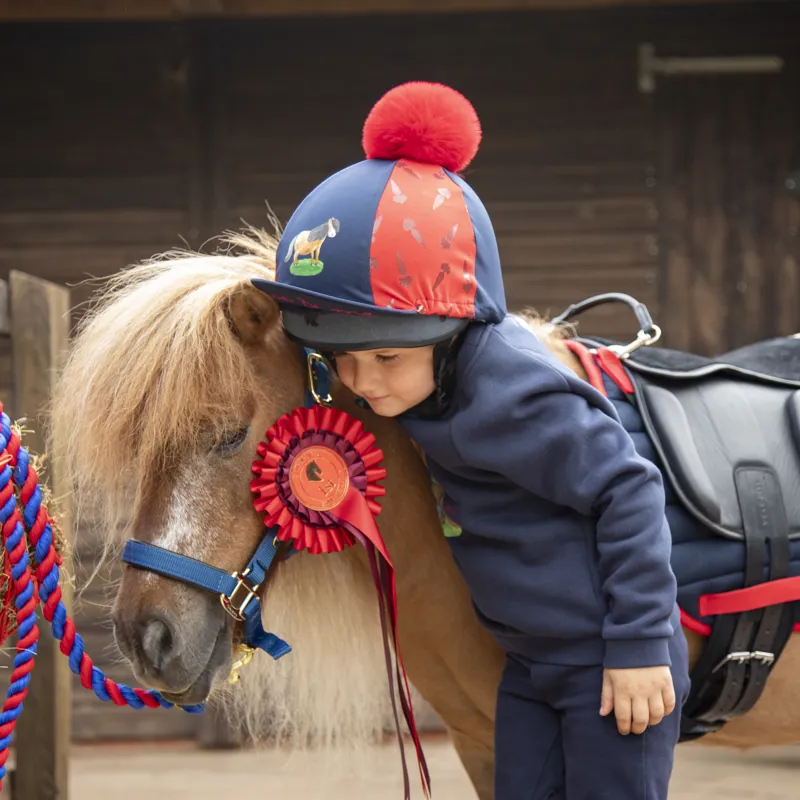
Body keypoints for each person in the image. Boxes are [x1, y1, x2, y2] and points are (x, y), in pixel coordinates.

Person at [252, 80, 690, 800]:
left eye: (386, 357)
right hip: (527, 665)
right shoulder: (416, 386)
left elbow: (628, 486)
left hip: (605, 665)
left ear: (454, 331)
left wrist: (640, 645)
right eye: (343, 361)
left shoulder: (517, 392)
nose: (364, 383)